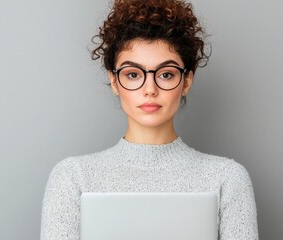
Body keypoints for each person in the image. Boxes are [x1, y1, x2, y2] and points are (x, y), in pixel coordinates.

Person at [40, 0, 258, 239]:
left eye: (166, 74)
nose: (150, 89)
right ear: (114, 81)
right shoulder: (73, 177)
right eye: (133, 74)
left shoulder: (227, 178)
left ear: (186, 81)